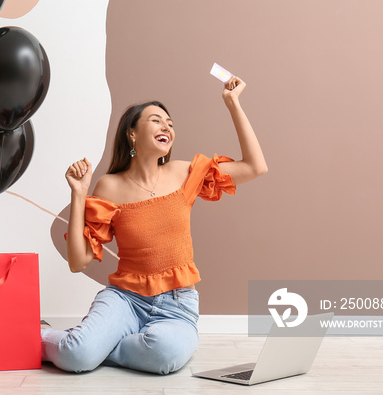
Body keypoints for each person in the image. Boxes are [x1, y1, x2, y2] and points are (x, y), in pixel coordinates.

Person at [42, 75, 268, 374]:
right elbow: (77, 261)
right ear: (132, 134)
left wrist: (232, 103)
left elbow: (255, 167)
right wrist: (79, 194)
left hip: (178, 304)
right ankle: (55, 339)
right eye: (156, 120)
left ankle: (96, 345)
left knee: (166, 355)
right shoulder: (109, 186)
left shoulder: (184, 172)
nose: (167, 127)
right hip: (125, 299)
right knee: (76, 358)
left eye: (170, 123)